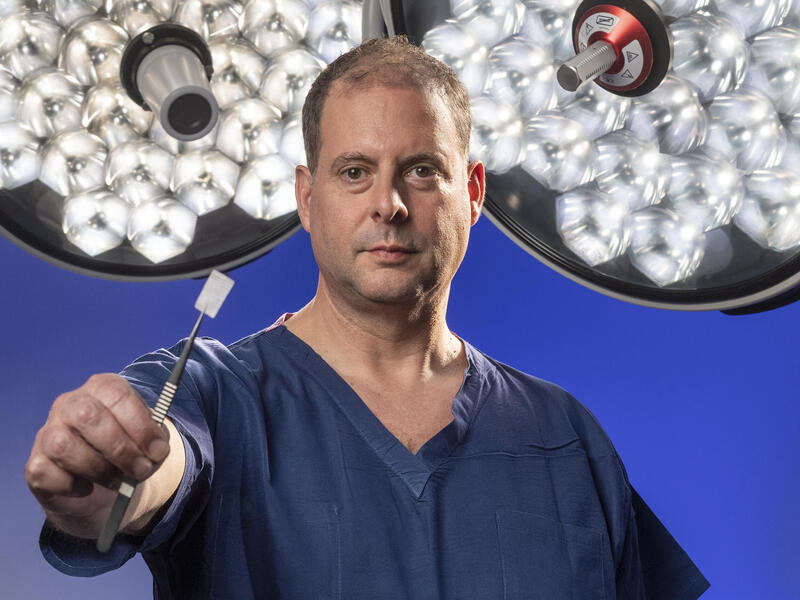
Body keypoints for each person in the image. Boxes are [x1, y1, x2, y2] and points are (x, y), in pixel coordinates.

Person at [26, 36, 709, 599]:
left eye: (420, 170)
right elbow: (160, 463)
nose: (388, 204)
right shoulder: (214, 394)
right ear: (306, 196)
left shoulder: (564, 437)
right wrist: (109, 477)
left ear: (471, 193)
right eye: (354, 172)